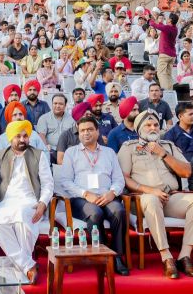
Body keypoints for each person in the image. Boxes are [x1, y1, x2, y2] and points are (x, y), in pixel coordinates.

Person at [119, 110, 193, 279]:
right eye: (148, 125)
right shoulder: (128, 148)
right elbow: (124, 178)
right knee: (152, 200)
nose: (153, 128)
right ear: (139, 129)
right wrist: (150, 190)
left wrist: (163, 153)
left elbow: (187, 172)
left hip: (170, 197)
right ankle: (167, 257)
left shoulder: (168, 146)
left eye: (156, 125)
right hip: (143, 198)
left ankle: (184, 256)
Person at [0, 120, 54, 283]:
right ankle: (27, 266)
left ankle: (22, 272)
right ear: (10, 138)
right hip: (7, 201)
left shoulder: (39, 155)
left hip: (31, 200)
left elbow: (48, 184)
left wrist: (43, 203)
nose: (22, 139)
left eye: (25, 136)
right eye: (18, 136)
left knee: (22, 217)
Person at [57, 117, 130, 275]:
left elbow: (119, 179)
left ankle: (117, 256)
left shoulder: (109, 153)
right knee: (95, 213)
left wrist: (112, 193)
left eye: (90, 129)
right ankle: (103, 257)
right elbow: (65, 181)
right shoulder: (71, 153)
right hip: (82, 199)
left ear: (97, 131)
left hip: (106, 196)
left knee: (119, 211)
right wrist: (85, 193)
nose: (86, 133)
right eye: (82, 130)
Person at [36, 94, 75, 162]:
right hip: (51, 150)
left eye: (61, 104)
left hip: (67, 151)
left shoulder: (71, 119)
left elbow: (74, 135)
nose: (57, 106)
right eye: (55, 103)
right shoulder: (44, 118)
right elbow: (41, 135)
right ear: (52, 104)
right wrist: (46, 146)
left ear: (65, 105)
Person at [148, 11, 178, 90]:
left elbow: (154, 25)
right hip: (172, 55)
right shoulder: (175, 28)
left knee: (161, 74)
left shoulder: (167, 28)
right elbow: (162, 26)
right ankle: (170, 91)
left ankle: (166, 92)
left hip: (165, 54)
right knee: (168, 75)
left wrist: (149, 19)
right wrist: (158, 20)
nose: (166, 19)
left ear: (170, 20)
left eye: (168, 18)